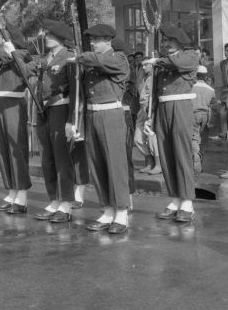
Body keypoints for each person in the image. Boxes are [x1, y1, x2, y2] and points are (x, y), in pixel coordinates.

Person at [67, 23, 130, 234]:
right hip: (92, 114)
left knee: (115, 164)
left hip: (110, 114)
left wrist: (78, 57)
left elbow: (98, 61)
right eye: (91, 40)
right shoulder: (92, 62)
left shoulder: (118, 59)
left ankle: (121, 213)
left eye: (96, 40)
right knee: (97, 165)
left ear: (108, 41)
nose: (92, 43)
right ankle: (107, 210)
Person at [143, 23, 199, 223]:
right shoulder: (162, 62)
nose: (166, 43)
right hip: (163, 109)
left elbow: (177, 64)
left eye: (169, 40)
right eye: (164, 40)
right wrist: (151, 116)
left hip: (181, 107)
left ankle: (187, 203)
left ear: (180, 41)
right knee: (166, 155)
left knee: (181, 154)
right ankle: (175, 199)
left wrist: (156, 60)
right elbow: (156, 92)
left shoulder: (190, 55)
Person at [32, 19, 77, 223]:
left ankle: (66, 204)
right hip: (45, 109)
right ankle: (54, 200)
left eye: (50, 35)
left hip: (61, 107)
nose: (46, 38)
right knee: (47, 158)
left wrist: (71, 119)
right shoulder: (45, 58)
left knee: (62, 159)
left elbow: (76, 91)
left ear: (60, 37)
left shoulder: (69, 57)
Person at [0, 24, 35, 215]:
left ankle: (21, 196)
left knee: (16, 150)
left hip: (14, 106)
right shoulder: (1, 57)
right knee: (4, 151)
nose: (0, 43)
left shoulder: (22, 55)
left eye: (4, 39)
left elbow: (23, 67)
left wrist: (12, 51)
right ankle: (11, 193)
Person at [113, 37, 136, 211]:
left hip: (122, 113)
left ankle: (127, 197)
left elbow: (130, 92)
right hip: (113, 113)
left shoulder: (126, 69)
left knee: (124, 159)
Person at [134, 61, 162, 175]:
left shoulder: (155, 78)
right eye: (143, 65)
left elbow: (154, 96)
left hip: (151, 108)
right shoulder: (145, 78)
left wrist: (152, 110)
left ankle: (158, 164)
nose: (144, 67)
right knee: (138, 138)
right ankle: (149, 161)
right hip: (142, 109)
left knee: (151, 137)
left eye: (146, 64)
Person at [191, 65, 217, 175]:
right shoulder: (211, 89)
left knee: (193, 138)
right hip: (205, 116)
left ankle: (196, 162)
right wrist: (211, 121)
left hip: (192, 115)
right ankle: (200, 157)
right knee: (203, 139)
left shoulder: (191, 87)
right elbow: (213, 107)